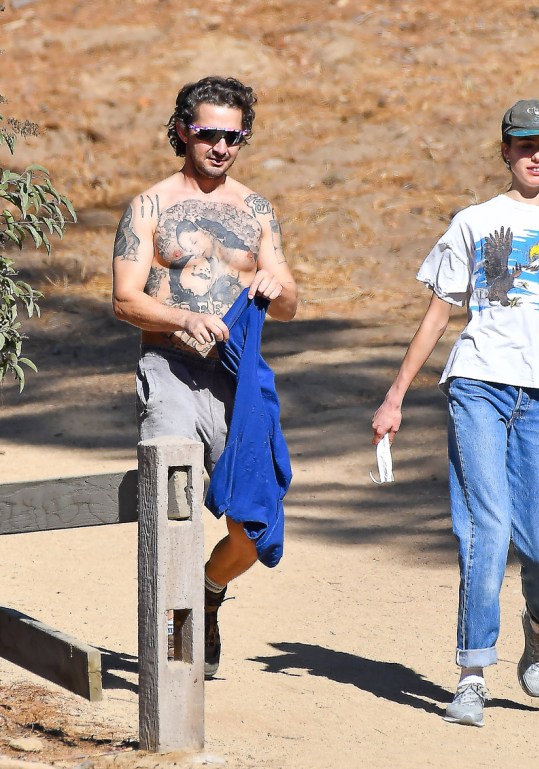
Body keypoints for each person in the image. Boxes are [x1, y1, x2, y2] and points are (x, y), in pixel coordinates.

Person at [372, 99, 539, 727]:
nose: (538, 154)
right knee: (485, 528)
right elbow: (438, 311)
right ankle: (473, 673)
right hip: (477, 383)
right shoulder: (474, 222)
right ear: (505, 150)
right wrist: (397, 394)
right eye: (526, 143)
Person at [112, 75, 298, 678]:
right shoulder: (150, 205)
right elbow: (123, 299)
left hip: (234, 378)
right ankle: (171, 636)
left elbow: (290, 303)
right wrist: (182, 317)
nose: (221, 146)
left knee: (252, 524)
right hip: (168, 366)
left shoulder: (257, 211)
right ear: (184, 130)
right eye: (208, 133)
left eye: (233, 135)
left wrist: (277, 285)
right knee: (173, 500)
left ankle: (208, 591)